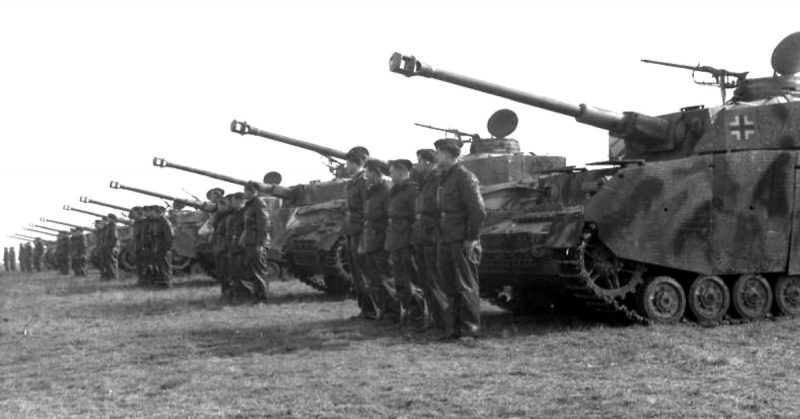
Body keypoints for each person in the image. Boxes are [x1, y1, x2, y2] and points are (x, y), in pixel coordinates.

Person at [434, 138, 487, 341]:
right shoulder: (445, 177)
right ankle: (453, 330)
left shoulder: (464, 177)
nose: (436, 156)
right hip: (446, 238)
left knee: (466, 285)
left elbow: (478, 211)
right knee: (449, 286)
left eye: (438, 152)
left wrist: (471, 238)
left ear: (448, 154)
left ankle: (470, 331)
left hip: (461, 239)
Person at [386, 158, 426, 327]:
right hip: (396, 240)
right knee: (400, 280)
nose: (389, 174)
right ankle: (408, 312)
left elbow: (417, 217)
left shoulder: (412, 191)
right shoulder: (396, 191)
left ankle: (417, 316)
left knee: (411, 280)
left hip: (406, 241)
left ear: (401, 171)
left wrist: (412, 241)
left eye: (392, 171)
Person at [413, 149, 448, 331]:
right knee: (426, 280)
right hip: (424, 234)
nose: (417, 164)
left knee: (435, 279)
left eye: (419, 161)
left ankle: (443, 320)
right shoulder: (426, 180)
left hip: (433, 235)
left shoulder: (437, 179)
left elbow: (438, 207)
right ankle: (435, 318)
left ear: (426, 162)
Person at [344, 146, 379, 319]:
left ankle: (373, 308)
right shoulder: (353, 182)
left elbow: (368, 206)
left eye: (348, 163)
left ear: (355, 163)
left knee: (365, 272)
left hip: (361, 231)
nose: (345, 167)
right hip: (353, 230)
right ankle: (365, 308)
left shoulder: (363, 182)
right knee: (357, 274)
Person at [361, 159, 398, 320]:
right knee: (375, 279)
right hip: (372, 240)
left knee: (386, 278)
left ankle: (393, 312)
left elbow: (390, 217)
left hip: (382, 241)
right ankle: (384, 310)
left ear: (375, 172)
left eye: (367, 172)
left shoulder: (386, 191)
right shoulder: (373, 191)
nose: (365, 175)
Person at [239, 183, 270, 302]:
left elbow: (264, 225)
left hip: (257, 242)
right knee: (253, 271)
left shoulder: (259, 204)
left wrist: (260, 244)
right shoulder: (250, 205)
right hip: (250, 241)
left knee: (259, 271)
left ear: (252, 191)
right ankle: (256, 296)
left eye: (246, 191)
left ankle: (262, 298)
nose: (245, 193)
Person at [225, 192, 246, 301]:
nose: (232, 202)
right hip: (233, 244)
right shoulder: (235, 213)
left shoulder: (245, 212)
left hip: (241, 245)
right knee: (234, 271)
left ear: (239, 200)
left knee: (241, 271)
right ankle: (236, 294)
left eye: (234, 200)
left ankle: (243, 295)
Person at [151, 206, 174, 287]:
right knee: (160, 266)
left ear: (157, 212)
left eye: (153, 213)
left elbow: (170, 235)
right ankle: (162, 283)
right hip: (159, 246)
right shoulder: (159, 221)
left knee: (165, 266)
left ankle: (167, 284)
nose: (152, 215)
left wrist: (168, 248)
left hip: (163, 247)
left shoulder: (164, 221)